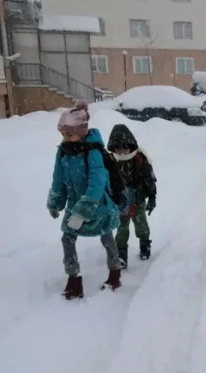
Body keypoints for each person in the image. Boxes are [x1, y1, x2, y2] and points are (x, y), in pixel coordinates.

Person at [47, 100, 123, 300]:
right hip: (75, 204)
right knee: (67, 238)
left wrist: (83, 212)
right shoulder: (63, 150)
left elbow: (97, 183)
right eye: (62, 134)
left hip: (98, 206)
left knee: (107, 237)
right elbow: (58, 178)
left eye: (68, 134)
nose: (64, 138)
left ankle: (115, 274)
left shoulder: (93, 151)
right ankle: (74, 281)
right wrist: (55, 201)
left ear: (81, 131)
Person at [106, 124, 157, 268]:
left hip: (138, 197)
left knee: (141, 223)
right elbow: (105, 180)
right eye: (118, 148)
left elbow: (149, 179)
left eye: (125, 148)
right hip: (120, 199)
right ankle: (121, 255)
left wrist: (152, 197)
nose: (122, 152)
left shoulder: (140, 159)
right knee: (122, 228)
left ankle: (145, 246)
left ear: (131, 146)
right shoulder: (110, 160)